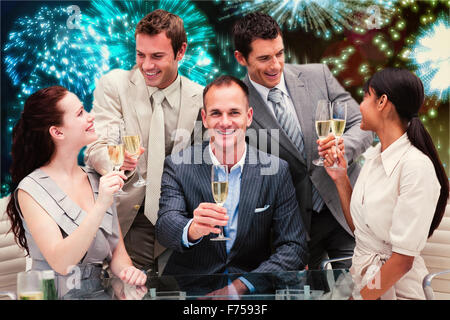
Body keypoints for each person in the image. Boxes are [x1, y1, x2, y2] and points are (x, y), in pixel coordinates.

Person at [232, 12, 373, 269]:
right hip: (291, 231)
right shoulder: (235, 103)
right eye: (264, 58)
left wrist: (344, 148)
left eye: (280, 54)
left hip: (347, 211)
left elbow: (363, 126)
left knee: (359, 291)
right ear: (241, 58)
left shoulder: (318, 75)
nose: (275, 65)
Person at [155, 75, 308, 296]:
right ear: (205, 119)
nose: (225, 122)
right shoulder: (178, 165)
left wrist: (241, 287)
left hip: (252, 289)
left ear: (249, 117)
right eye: (216, 113)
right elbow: (165, 226)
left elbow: (294, 247)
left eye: (234, 113)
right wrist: (193, 229)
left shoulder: (276, 170)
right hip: (191, 289)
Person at [84, 9, 204, 273]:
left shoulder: (201, 97)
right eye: (141, 55)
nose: (147, 65)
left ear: (180, 51)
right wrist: (118, 162)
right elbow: (95, 149)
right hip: (126, 220)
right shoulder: (114, 85)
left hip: (179, 223)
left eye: (157, 56)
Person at [6, 86, 147, 298]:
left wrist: (129, 272)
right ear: (57, 132)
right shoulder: (30, 190)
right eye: (80, 113)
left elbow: (118, 254)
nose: (90, 117)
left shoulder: (97, 178)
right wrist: (100, 206)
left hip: (100, 293)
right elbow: (62, 263)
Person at [322, 68, 449, 300]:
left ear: (382, 102)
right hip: (361, 282)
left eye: (364, 97)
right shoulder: (374, 157)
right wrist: (341, 178)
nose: (359, 106)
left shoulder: (415, 167)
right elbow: (361, 232)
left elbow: (401, 262)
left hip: (396, 291)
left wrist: (358, 299)